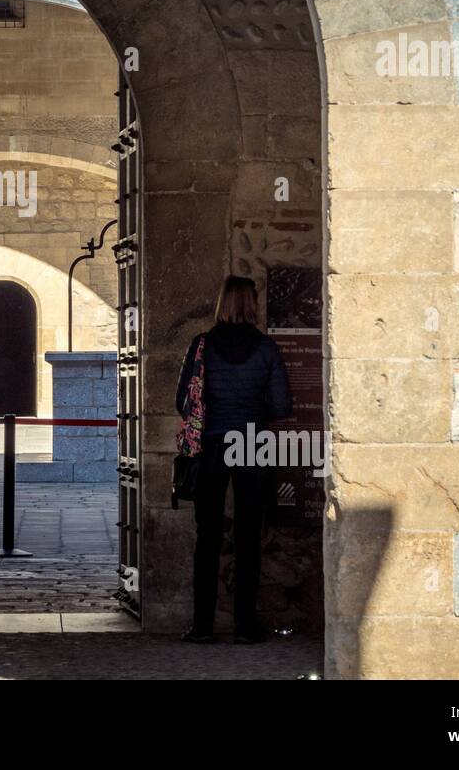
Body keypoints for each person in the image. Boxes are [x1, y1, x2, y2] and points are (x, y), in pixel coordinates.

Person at [176, 275, 291, 644]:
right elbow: (281, 405)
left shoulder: (201, 346)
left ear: (222, 302)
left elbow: (183, 401)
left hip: (211, 445)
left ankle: (202, 627)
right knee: (248, 537)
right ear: (251, 303)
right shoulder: (266, 348)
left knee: (207, 536)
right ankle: (244, 627)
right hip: (253, 444)